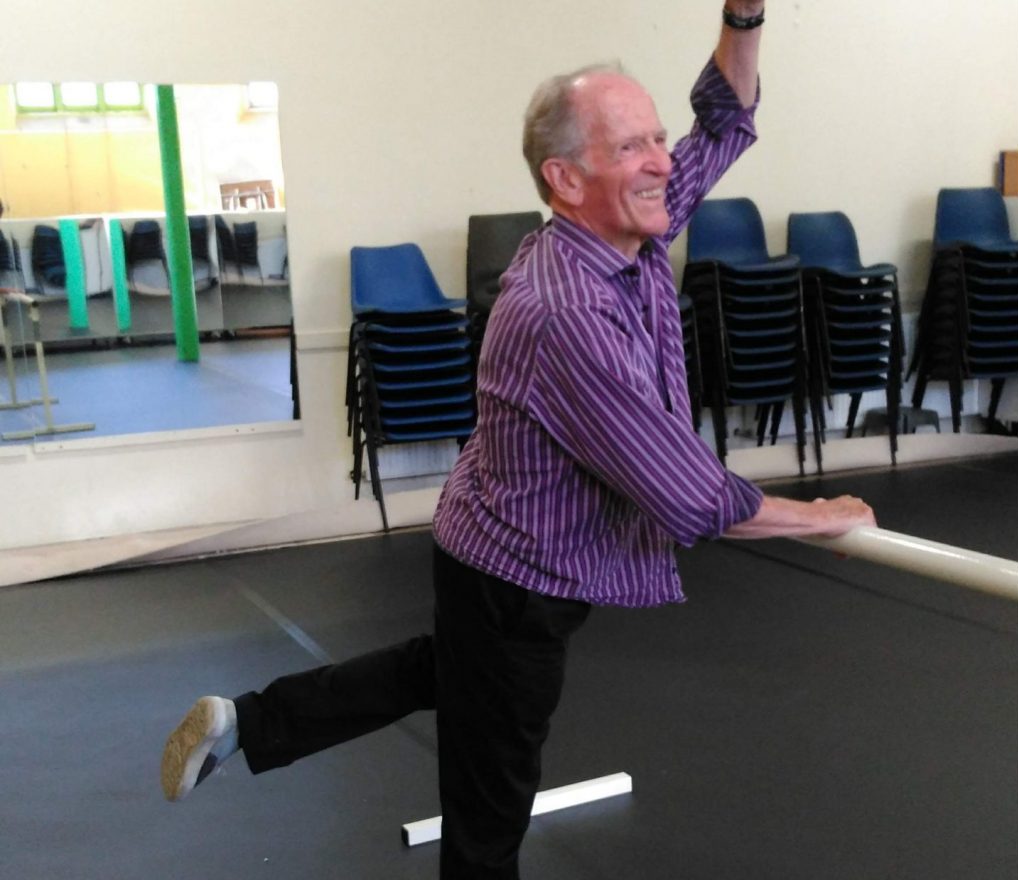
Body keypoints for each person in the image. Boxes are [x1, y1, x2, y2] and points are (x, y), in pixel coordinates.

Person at [161, 3, 876, 877]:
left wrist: (744, 15)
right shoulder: (565, 313)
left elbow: (722, 120)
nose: (662, 161)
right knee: (489, 811)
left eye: (657, 139)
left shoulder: (621, 220)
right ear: (564, 180)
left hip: (492, 548)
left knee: (451, 675)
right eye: (631, 147)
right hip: (515, 576)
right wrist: (823, 517)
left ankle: (248, 723)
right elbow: (690, 497)